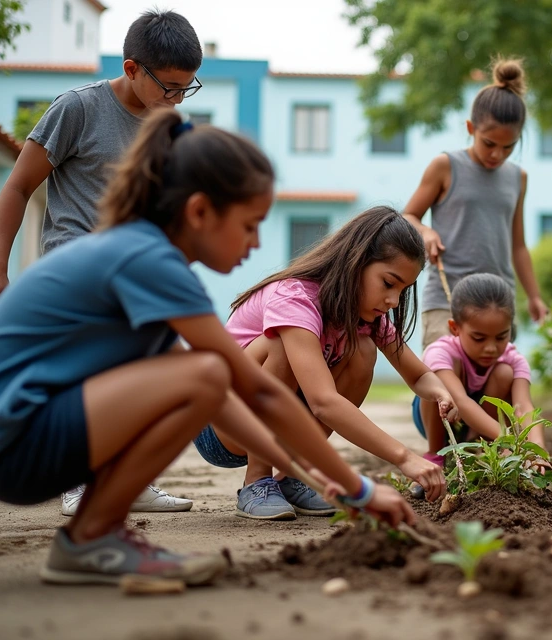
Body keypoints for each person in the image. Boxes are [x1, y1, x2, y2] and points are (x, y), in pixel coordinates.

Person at [0, 111, 415, 586]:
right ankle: (93, 536)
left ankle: (92, 536)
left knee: (199, 374)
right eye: (250, 225)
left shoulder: (141, 256)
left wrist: (314, 475)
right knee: (206, 372)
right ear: (199, 212)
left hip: (4, 445)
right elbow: (251, 391)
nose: (257, 244)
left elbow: (220, 399)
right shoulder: (149, 261)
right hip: (10, 445)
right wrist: (358, 487)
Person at [0, 9, 207, 516]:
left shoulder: (168, 126)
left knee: (144, 375)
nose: (176, 100)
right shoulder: (77, 109)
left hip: (136, 269)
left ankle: (129, 479)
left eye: (187, 89)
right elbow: (17, 186)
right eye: (168, 87)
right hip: (76, 265)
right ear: (131, 69)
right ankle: (77, 482)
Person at [193, 206, 457, 520]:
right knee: (280, 343)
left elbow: (417, 375)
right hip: (221, 423)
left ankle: (294, 477)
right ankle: (258, 479)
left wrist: (441, 392)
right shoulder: (295, 298)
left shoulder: (367, 319)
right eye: (388, 283)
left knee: (362, 349)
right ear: (356, 261)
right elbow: (322, 402)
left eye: (403, 290)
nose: (394, 301)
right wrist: (404, 457)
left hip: (278, 418)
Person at [401, 57, 549, 352]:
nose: (497, 154)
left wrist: (534, 296)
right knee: (444, 380)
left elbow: (517, 245)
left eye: (508, 147)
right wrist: (426, 233)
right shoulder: (445, 166)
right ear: (471, 128)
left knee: (497, 385)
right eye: (489, 143)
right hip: (447, 299)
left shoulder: (517, 177)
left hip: (498, 302)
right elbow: (408, 216)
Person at [413, 273, 544, 465]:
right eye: (479, 338)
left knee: (505, 372)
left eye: (501, 337)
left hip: (484, 424)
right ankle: (435, 456)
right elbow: (461, 402)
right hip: (440, 419)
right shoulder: (440, 352)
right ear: (455, 328)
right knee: (436, 380)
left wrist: (538, 452)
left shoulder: (513, 358)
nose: (491, 348)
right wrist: (514, 443)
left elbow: (524, 407)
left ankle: (481, 445)